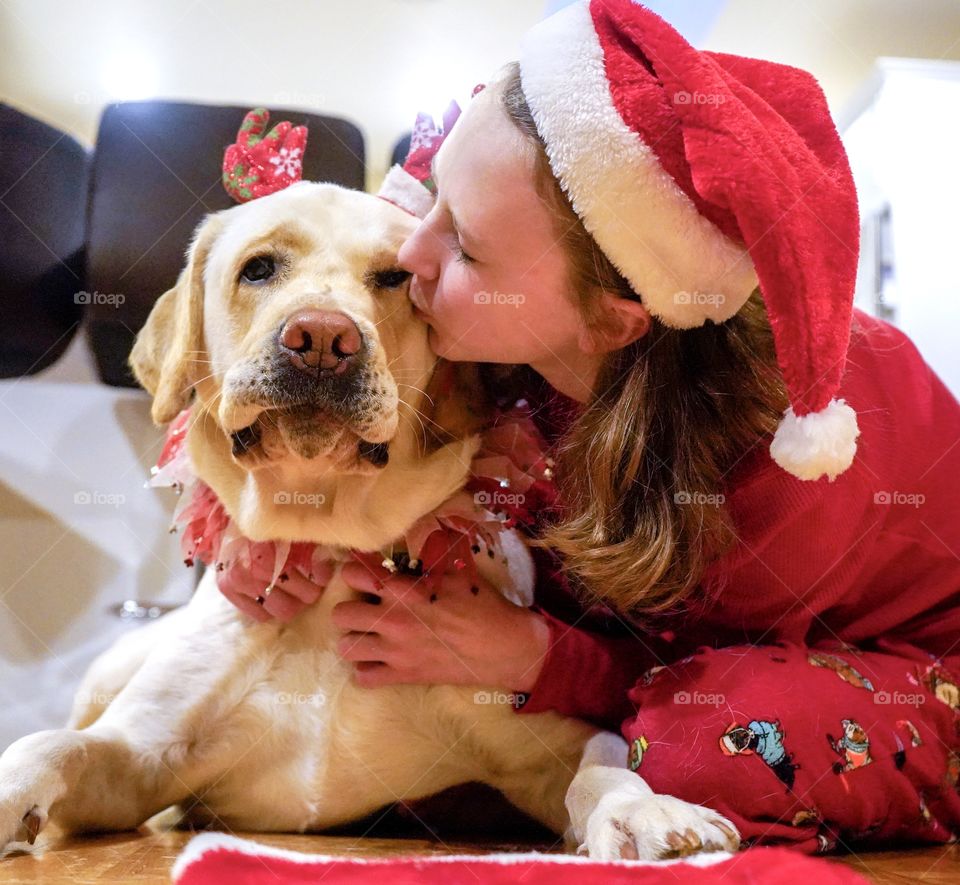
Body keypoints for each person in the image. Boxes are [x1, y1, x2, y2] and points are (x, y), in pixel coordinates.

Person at [217, 0, 960, 855]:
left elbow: (697, 663)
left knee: (702, 743)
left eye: (467, 249)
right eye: (436, 200)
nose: (412, 253)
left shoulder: (780, 466)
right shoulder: (482, 317)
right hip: (631, 618)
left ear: (609, 320)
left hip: (889, 660)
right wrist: (251, 533)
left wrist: (535, 660)